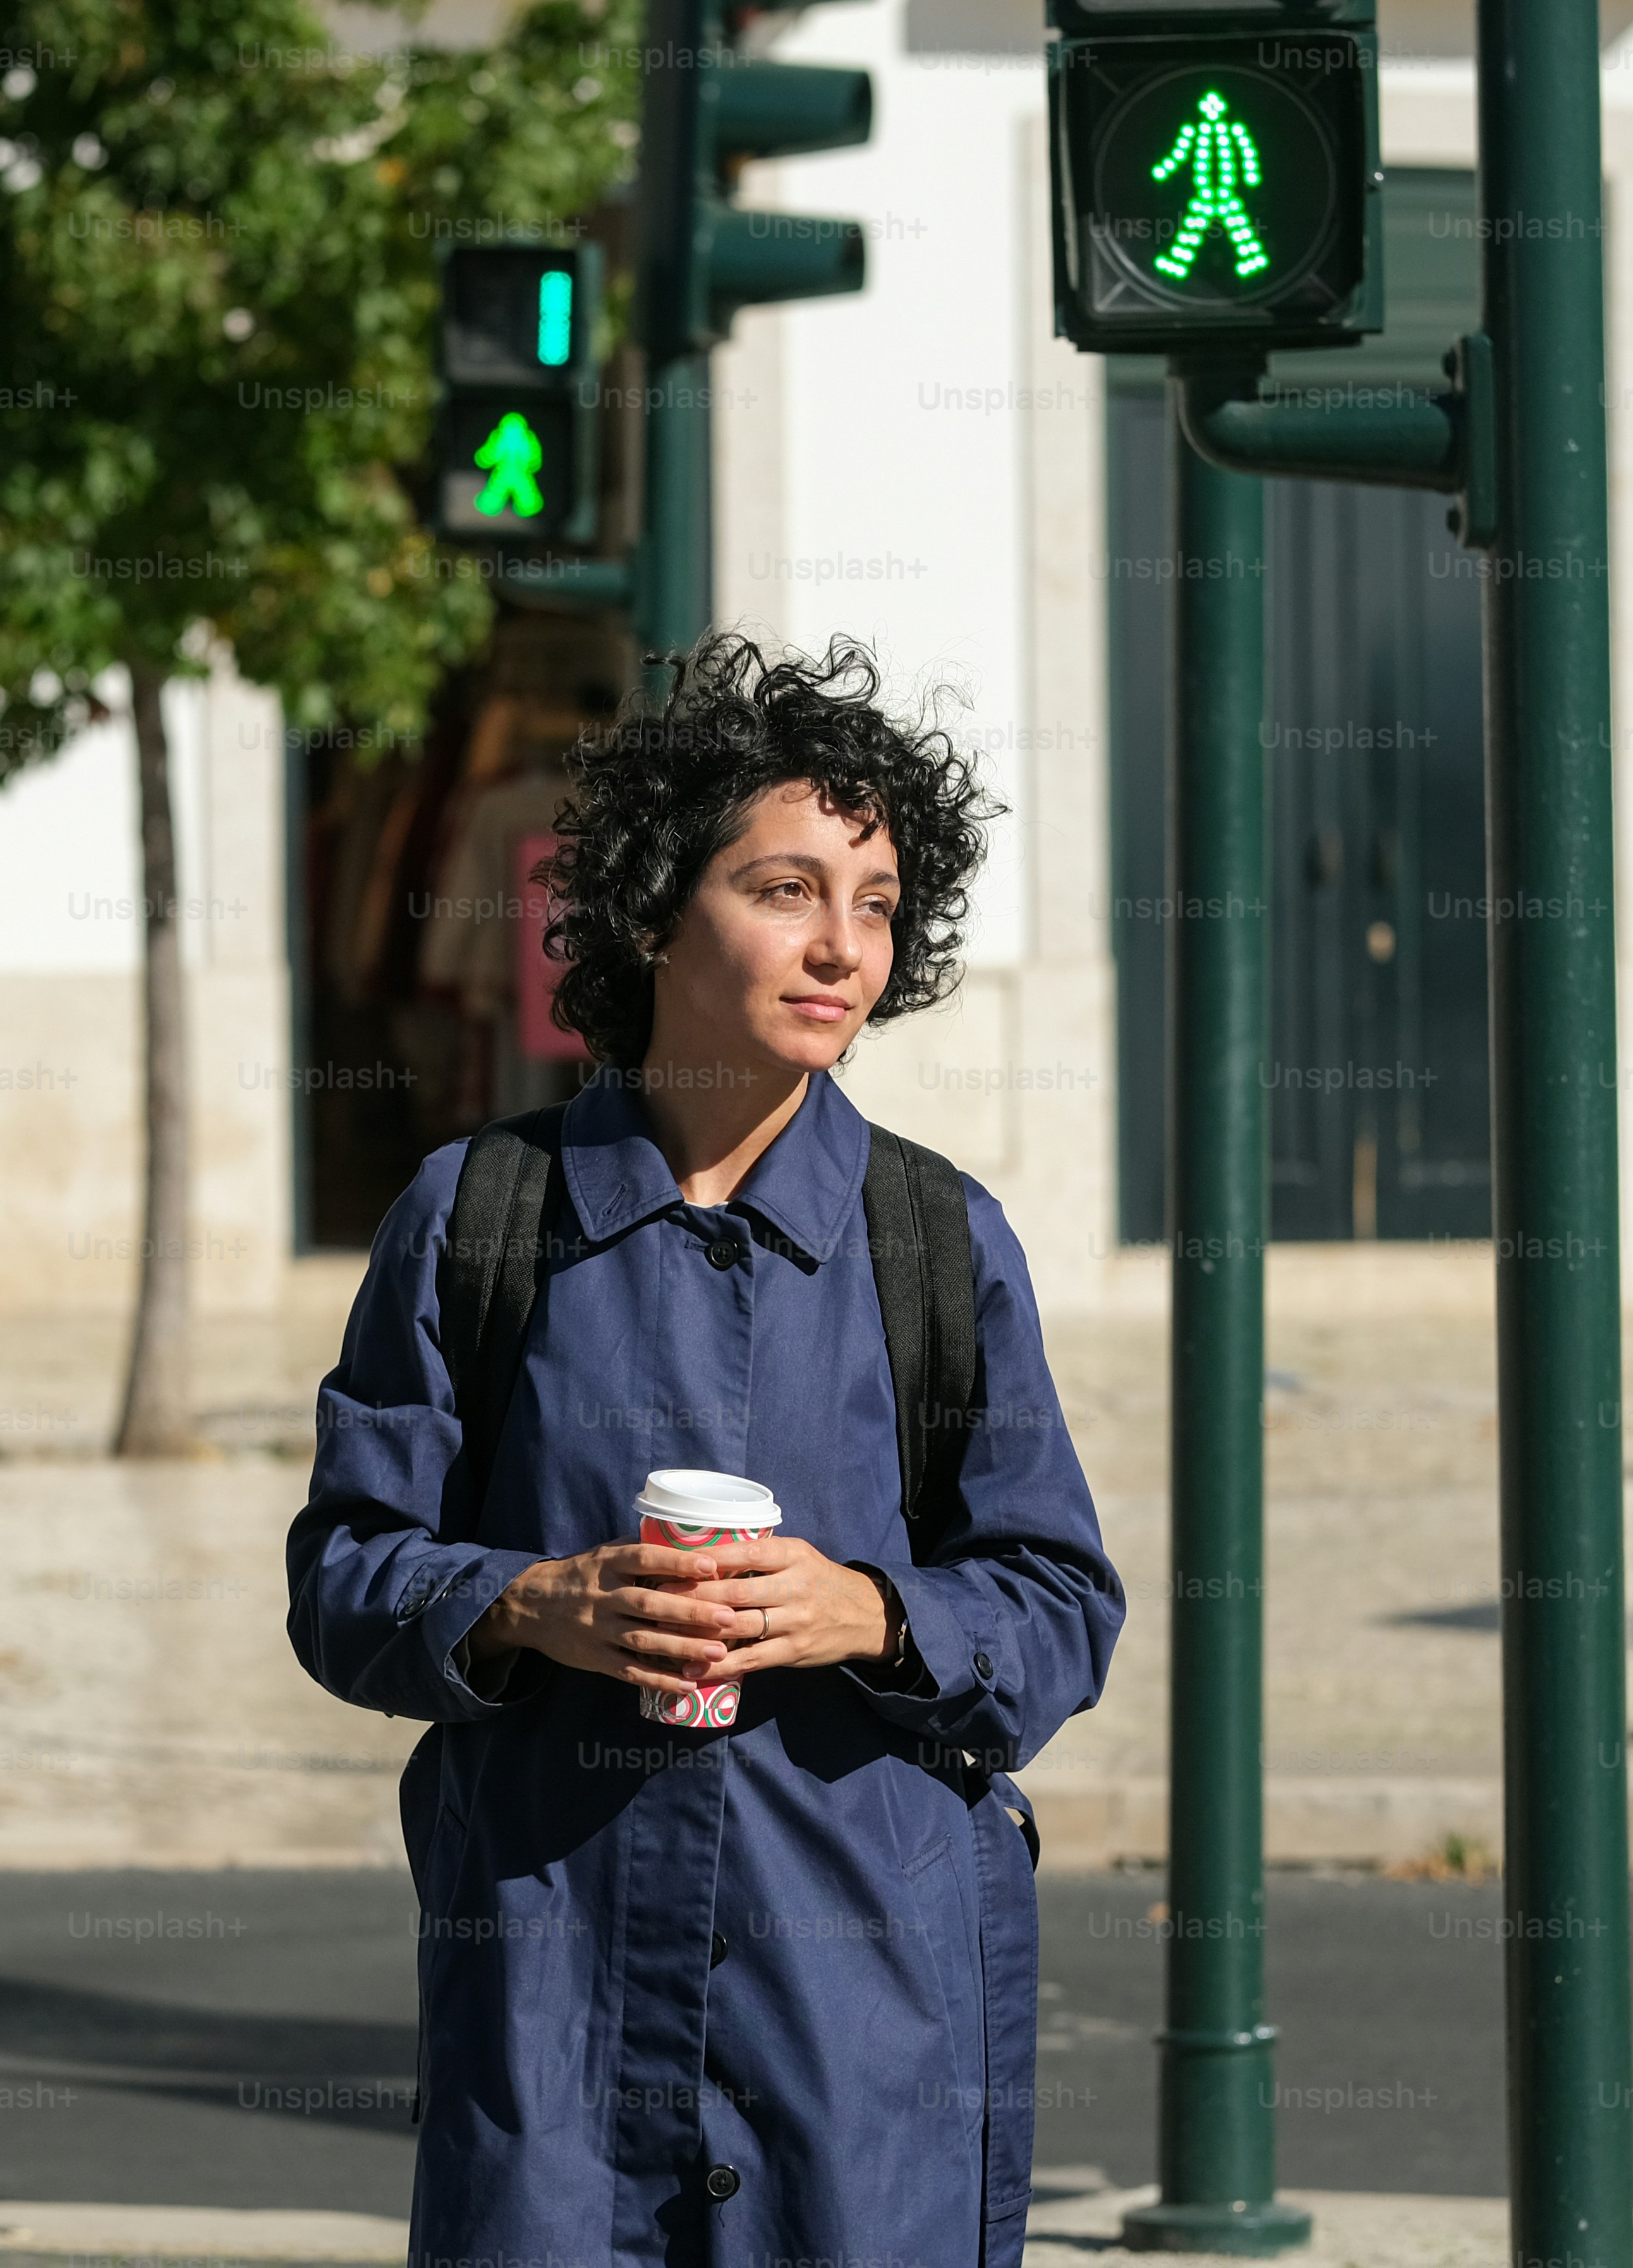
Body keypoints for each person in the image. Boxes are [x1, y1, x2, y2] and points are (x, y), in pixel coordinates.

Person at [287, 633, 1125, 2268]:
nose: (843, 946)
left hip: (859, 2042)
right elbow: (341, 1577)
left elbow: (1059, 1602)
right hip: (554, 2031)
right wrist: (528, 1605)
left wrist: (873, 1615)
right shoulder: (478, 1217)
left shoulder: (939, 1240)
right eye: (789, 888)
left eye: (877, 902)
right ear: (663, 905)